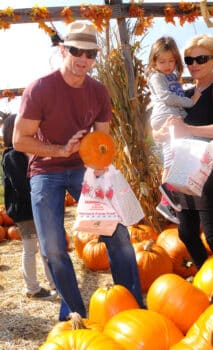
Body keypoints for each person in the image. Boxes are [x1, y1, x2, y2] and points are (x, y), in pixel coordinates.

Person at [12, 21, 146, 321]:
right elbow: (19, 140)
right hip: (45, 171)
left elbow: (103, 140)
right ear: (63, 50)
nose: (83, 59)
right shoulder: (41, 88)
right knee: (53, 247)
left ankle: (130, 307)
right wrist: (61, 150)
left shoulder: (98, 92)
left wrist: (96, 161)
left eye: (90, 53)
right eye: (76, 51)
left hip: (83, 167)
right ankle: (74, 312)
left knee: (118, 234)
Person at [152, 34, 213, 269]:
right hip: (185, 169)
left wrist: (187, 129)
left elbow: (187, 128)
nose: (194, 64)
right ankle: (205, 276)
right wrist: (159, 133)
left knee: (211, 235)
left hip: (209, 172)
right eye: (189, 60)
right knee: (186, 233)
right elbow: (159, 125)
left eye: (202, 58)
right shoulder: (184, 95)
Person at [1, 113, 57, 299]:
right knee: (31, 247)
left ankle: (54, 284)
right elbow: (22, 185)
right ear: (14, 131)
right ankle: (32, 288)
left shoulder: (26, 153)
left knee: (44, 247)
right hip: (25, 210)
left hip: (35, 206)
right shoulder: (12, 156)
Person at [146, 36, 201, 224]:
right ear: (153, 61)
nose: (167, 65)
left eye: (171, 61)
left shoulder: (171, 77)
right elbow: (167, 97)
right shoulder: (156, 76)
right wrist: (191, 101)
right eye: (162, 61)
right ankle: (166, 200)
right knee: (171, 160)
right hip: (165, 118)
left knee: (177, 157)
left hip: (174, 116)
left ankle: (170, 197)